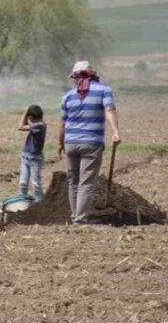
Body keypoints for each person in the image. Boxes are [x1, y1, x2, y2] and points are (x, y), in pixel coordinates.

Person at [58, 61, 121, 224]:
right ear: (92, 75)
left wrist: (60, 144)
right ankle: (80, 219)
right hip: (91, 143)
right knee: (86, 182)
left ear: (75, 77)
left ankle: (75, 216)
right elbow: (109, 109)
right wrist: (115, 131)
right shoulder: (104, 90)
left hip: (70, 142)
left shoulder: (67, 96)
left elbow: (63, 123)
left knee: (73, 181)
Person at [17, 104, 47, 202]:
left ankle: (40, 204)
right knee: (23, 183)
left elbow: (20, 126)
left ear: (31, 117)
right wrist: (28, 115)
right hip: (26, 156)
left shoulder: (40, 125)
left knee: (36, 184)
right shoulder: (38, 124)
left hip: (35, 158)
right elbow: (25, 124)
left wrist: (25, 112)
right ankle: (22, 202)